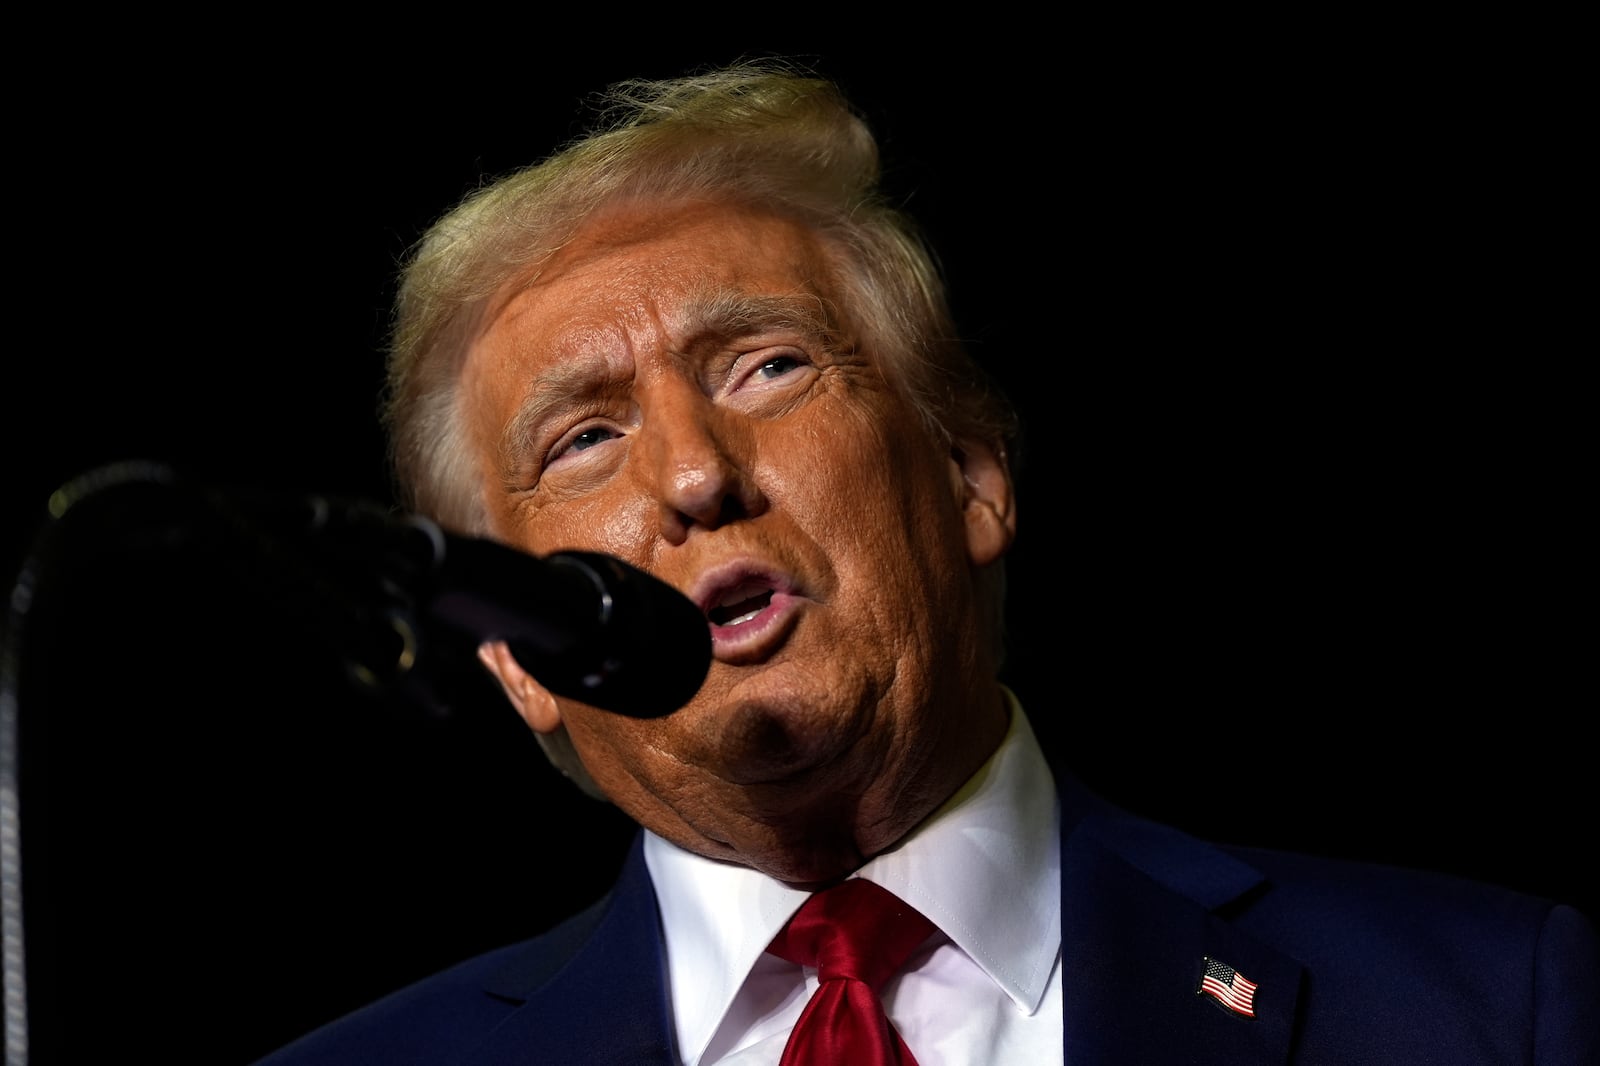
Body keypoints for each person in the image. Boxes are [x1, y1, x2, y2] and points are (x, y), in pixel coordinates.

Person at [255, 60, 1599, 1065]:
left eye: (767, 365)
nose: (690, 474)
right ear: (515, 653)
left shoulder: (1473, 1005)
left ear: (971, 474)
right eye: (586, 437)